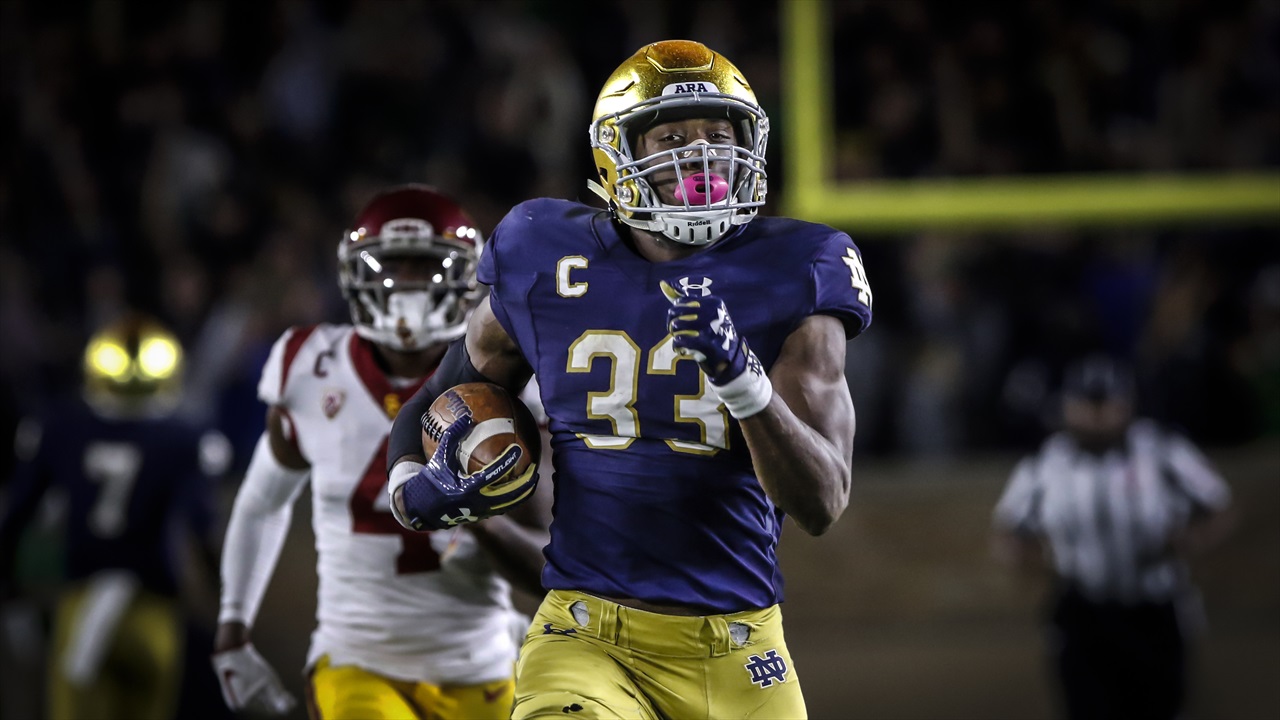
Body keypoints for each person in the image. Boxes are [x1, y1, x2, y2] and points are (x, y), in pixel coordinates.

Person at [385, 40, 873, 719]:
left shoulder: (800, 266)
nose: (700, 156)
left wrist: (743, 381)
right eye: (671, 139)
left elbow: (821, 502)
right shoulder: (544, 253)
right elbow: (438, 394)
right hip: (585, 634)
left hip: (739, 644)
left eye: (717, 136)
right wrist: (409, 488)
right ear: (618, 154)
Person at [212, 185, 551, 719]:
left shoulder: (514, 385)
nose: (408, 286)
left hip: (479, 666)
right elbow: (261, 502)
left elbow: (550, 561)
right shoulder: (309, 366)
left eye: (427, 267)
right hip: (357, 662)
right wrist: (233, 627)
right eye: (394, 268)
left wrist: (480, 519)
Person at [0, 314, 230, 720]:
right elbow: (202, 529)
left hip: (81, 607)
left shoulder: (61, 426)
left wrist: (11, 588)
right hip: (153, 615)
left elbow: (17, 517)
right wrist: (228, 605)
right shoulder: (184, 437)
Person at [992, 353, 1235, 720]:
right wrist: (1032, 564)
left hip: (1153, 607)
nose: (1096, 416)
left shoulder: (1162, 451)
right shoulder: (1046, 464)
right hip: (1083, 610)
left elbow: (1219, 505)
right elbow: (1009, 530)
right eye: (1086, 405)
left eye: (1106, 405)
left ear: (1127, 404)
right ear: (1067, 406)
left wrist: (1193, 539)